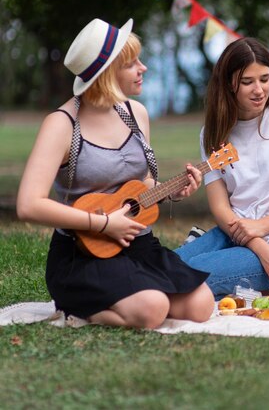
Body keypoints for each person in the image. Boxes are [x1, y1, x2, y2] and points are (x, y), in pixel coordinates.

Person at [17, 18, 214, 329]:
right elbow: (28, 204)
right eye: (132, 63)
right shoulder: (62, 125)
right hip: (83, 253)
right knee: (153, 308)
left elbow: (140, 185)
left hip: (138, 246)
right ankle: (77, 307)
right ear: (107, 72)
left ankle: (134, 296)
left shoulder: (136, 114)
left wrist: (169, 191)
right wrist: (103, 223)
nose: (143, 68)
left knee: (202, 305)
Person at [175, 37, 269, 299]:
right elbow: (221, 207)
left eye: (264, 79)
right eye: (247, 82)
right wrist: (255, 242)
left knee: (188, 275)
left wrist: (263, 229)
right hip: (234, 233)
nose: (259, 89)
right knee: (165, 266)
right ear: (229, 85)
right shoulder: (211, 134)